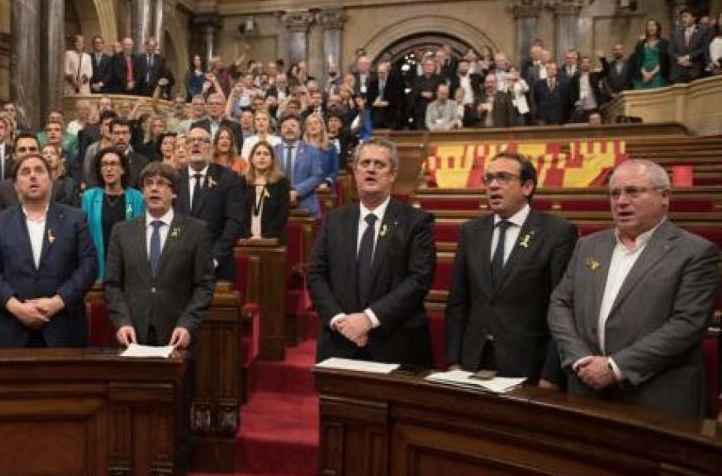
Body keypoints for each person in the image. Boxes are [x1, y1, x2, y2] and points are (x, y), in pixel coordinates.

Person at [548, 159, 719, 418]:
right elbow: (560, 304)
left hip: (657, 396)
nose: (621, 201)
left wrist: (616, 367)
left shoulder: (695, 252)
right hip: (586, 388)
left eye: (633, 191)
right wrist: (581, 359)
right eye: (614, 193)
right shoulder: (588, 246)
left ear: (665, 197)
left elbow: (687, 325)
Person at [103, 161, 215, 476]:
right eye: (149, 183)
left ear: (174, 192)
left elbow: (204, 286)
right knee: (134, 412)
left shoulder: (195, 230)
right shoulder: (123, 231)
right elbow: (111, 285)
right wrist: (121, 321)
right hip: (133, 336)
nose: (154, 188)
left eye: (162, 183)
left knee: (175, 413)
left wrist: (188, 324)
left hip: (175, 337)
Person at [445, 152, 578, 385]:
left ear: (527, 186)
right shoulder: (471, 231)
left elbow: (562, 309)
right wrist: (454, 360)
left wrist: (550, 375)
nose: (493, 185)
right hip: (473, 360)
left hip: (527, 363)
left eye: (503, 178)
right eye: (489, 179)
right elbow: (458, 301)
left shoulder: (557, 233)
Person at [308, 139, 436, 365]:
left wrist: (368, 319)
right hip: (340, 342)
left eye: (379, 164)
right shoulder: (334, 220)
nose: (371, 169)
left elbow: (419, 280)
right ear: (355, 172)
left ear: (393, 174)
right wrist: (340, 321)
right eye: (365, 163)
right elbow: (316, 274)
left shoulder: (416, 222)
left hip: (395, 345)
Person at [0, 154, 98, 348]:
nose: (33, 176)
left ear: (51, 179)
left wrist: (57, 302)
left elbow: (89, 266)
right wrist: (16, 307)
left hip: (64, 329)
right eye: (25, 172)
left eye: (39, 170)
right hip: (11, 330)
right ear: (15, 184)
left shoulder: (75, 219)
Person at [174, 126, 245, 281]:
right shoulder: (174, 179)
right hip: (178, 266)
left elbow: (234, 222)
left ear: (211, 147)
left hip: (218, 266)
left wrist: (214, 257)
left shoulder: (228, 178)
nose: (196, 144)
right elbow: (170, 220)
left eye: (202, 141)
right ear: (185, 147)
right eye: (191, 140)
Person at [80, 147, 145, 281]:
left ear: (123, 169)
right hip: (97, 268)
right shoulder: (89, 197)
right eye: (104, 164)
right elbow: (84, 235)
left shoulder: (136, 198)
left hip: (129, 269)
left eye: (113, 164)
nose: (108, 169)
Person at [275, 113, 324, 217]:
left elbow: (317, 176)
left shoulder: (312, 151)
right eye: (285, 127)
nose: (289, 129)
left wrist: (296, 191)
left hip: (306, 205)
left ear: (300, 130)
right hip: (276, 206)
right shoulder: (272, 151)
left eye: (293, 126)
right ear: (280, 131)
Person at [243, 141, 290, 242]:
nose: (262, 157)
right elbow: (237, 212)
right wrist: (247, 236)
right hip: (245, 240)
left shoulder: (281, 182)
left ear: (272, 159)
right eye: (258, 153)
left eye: (266, 154)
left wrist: (264, 237)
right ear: (251, 158)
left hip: (272, 240)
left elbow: (282, 214)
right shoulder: (242, 182)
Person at [670, 9, 707, 83]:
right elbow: (670, 50)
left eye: (686, 16)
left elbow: (704, 48)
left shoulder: (703, 31)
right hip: (678, 73)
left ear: (694, 18)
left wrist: (688, 57)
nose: (683, 19)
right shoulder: (676, 33)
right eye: (682, 17)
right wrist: (679, 58)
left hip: (696, 71)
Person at [631, 19, 671, 89]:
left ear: (658, 28)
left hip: (658, 75)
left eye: (653, 25)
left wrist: (651, 74)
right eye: (649, 25)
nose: (651, 27)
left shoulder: (664, 43)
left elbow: (664, 61)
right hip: (642, 76)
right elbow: (637, 60)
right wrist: (645, 73)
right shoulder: (641, 43)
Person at [303, 114, 338, 188]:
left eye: (316, 123)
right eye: (310, 124)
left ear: (322, 126)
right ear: (306, 128)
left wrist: (327, 182)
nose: (313, 126)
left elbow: (334, 171)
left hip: (325, 188)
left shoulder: (331, 147)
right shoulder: (301, 148)